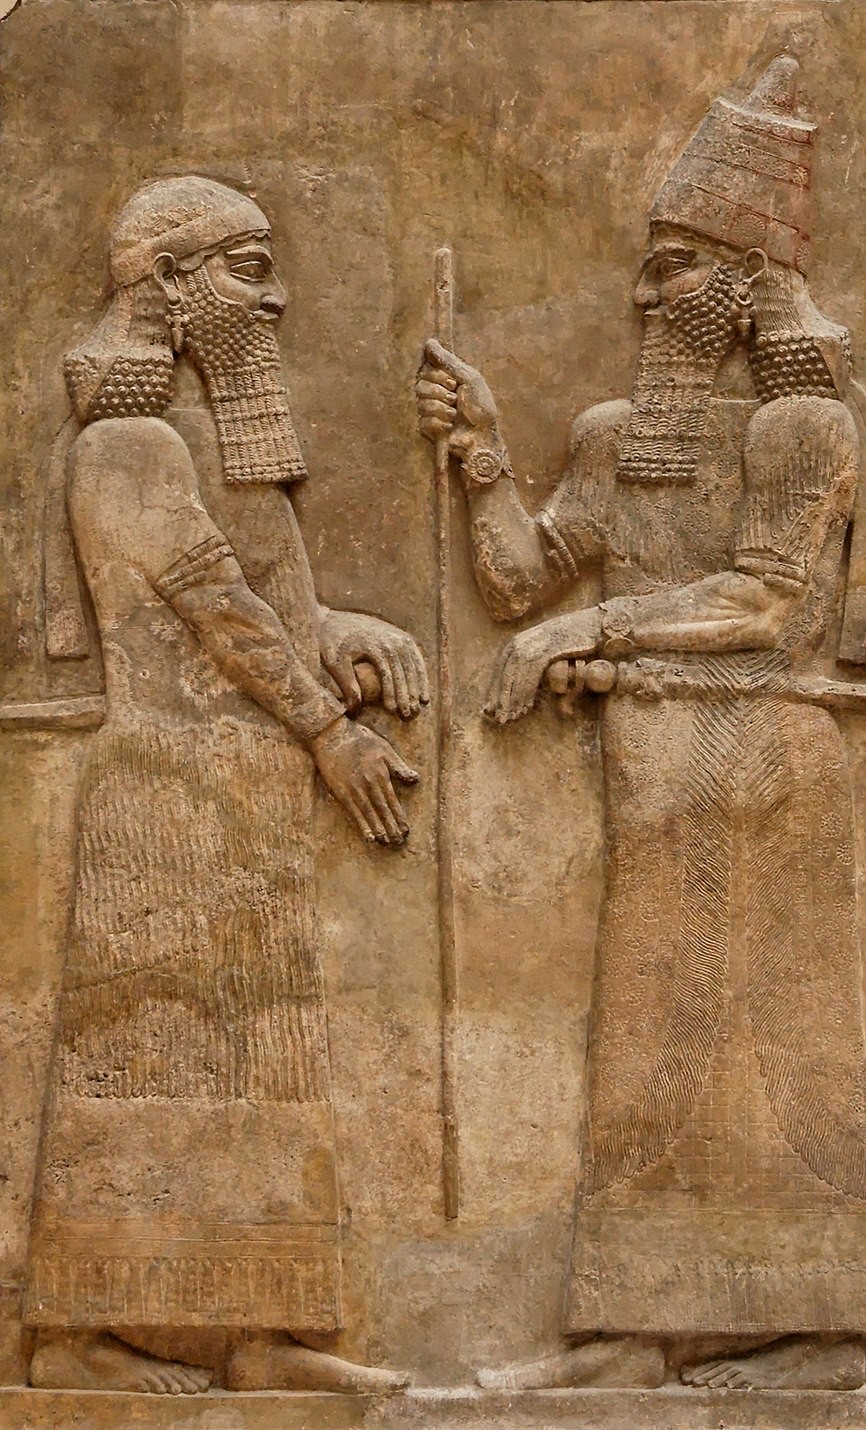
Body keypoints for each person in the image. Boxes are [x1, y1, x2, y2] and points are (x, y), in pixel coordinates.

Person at [417, 57, 866, 1391]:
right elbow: (519, 581)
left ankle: (812, 1330)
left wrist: (590, 634)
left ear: (747, 278)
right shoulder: (616, 434)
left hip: (765, 765)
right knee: (648, 1050)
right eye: (645, 266)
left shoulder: (804, 426)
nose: (644, 293)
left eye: (673, 266)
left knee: (777, 1056)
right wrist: (482, 454)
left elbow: (762, 601)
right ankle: (632, 1325)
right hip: (657, 772)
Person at [26, 176, 425, 1395]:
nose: (277, 295)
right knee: (143, 1064)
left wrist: (336, 627)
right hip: (169, 792)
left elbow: (253, 600)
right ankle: (86, 1332)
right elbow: (214, 607)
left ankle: (254, 1329)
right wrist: (330, 730)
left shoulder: (176, 438)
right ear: (169, 279)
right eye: (249, 268)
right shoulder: (127, 442)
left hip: (241, 787)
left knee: (260, 1068)